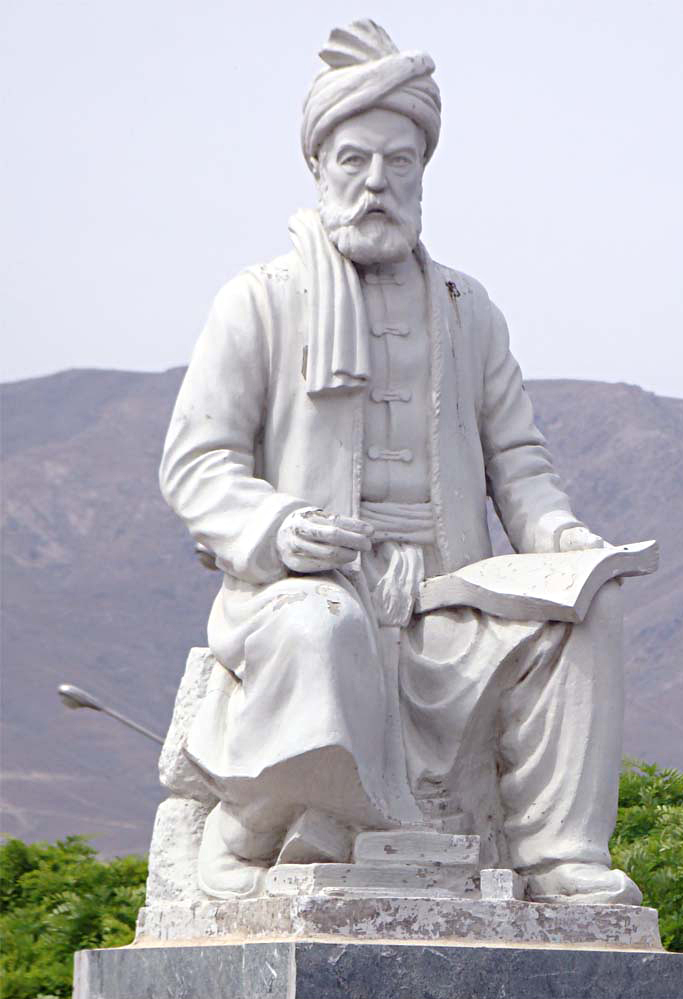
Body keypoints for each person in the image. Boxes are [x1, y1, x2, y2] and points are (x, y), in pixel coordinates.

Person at [160, 18, 641, 906]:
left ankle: (556, 853)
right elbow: (198, 463)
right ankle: (255, 822)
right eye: (355, 160)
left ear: (423, 173)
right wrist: (279, 527)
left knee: (588, 610)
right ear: (320, 167)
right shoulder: (259, 303)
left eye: (399, 163)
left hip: (446, 592)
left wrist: (564, 539)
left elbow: (520, 465)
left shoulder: (468, 309)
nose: (377, 183)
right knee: (319, 628)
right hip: (312, 583)